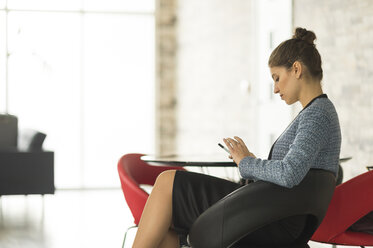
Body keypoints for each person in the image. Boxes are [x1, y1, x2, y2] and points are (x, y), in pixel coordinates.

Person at [132, 27, 342, 248]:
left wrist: (247, 163)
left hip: (270, 218)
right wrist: (253, 162)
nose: (275, 89)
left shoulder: (317, 115)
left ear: (297, 69)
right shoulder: (317, 113)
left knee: (167, 182)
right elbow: (294, 174)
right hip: (271, 213)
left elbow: (290, 174)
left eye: (277, 78)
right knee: (166, 237)